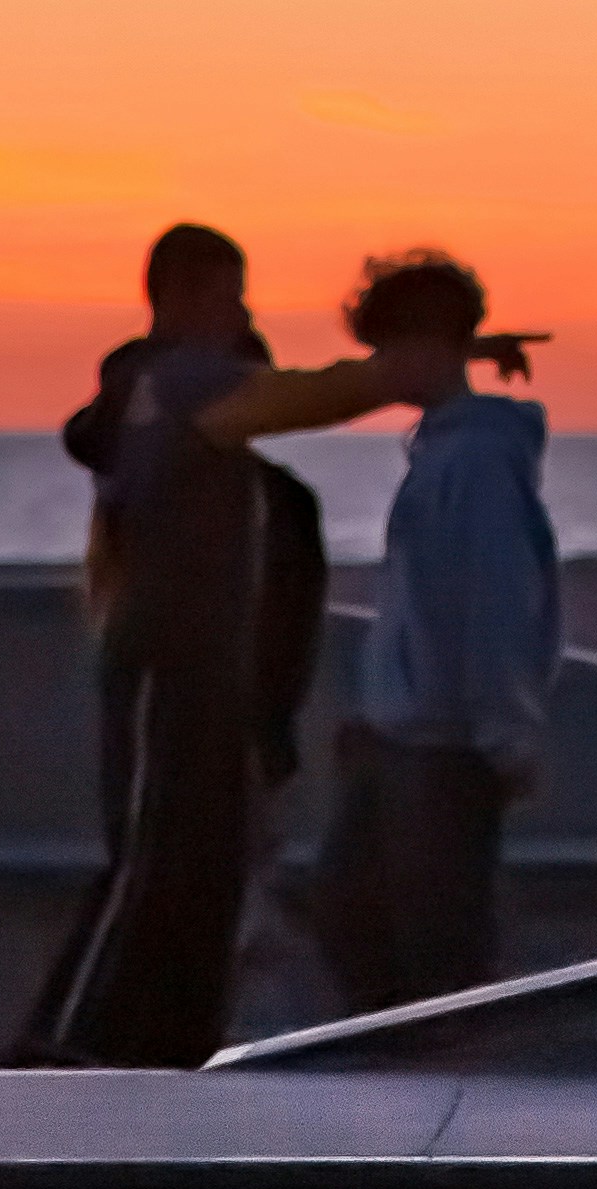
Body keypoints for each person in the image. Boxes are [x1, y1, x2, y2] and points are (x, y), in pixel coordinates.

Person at [206, 249, 560, 1016]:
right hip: (403, 740)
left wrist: (505, 735)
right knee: (354, 912)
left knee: (439, 952)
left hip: (444, 749)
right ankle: (413, 1088)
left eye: (390, 347)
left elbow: (495, 603)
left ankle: (448, 1107)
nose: (381, 368)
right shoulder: (444, 452)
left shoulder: (476, 461)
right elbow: (426, 607)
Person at [14, 221, 328, 1068]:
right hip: (179, 687)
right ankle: (65, 1048)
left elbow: (285, 624)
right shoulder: (149, 440)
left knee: (202, 891)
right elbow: (101, 420)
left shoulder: (273, 505)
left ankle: (173, 1054)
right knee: (149, 869)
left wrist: (269, 732)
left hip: (228, 715)